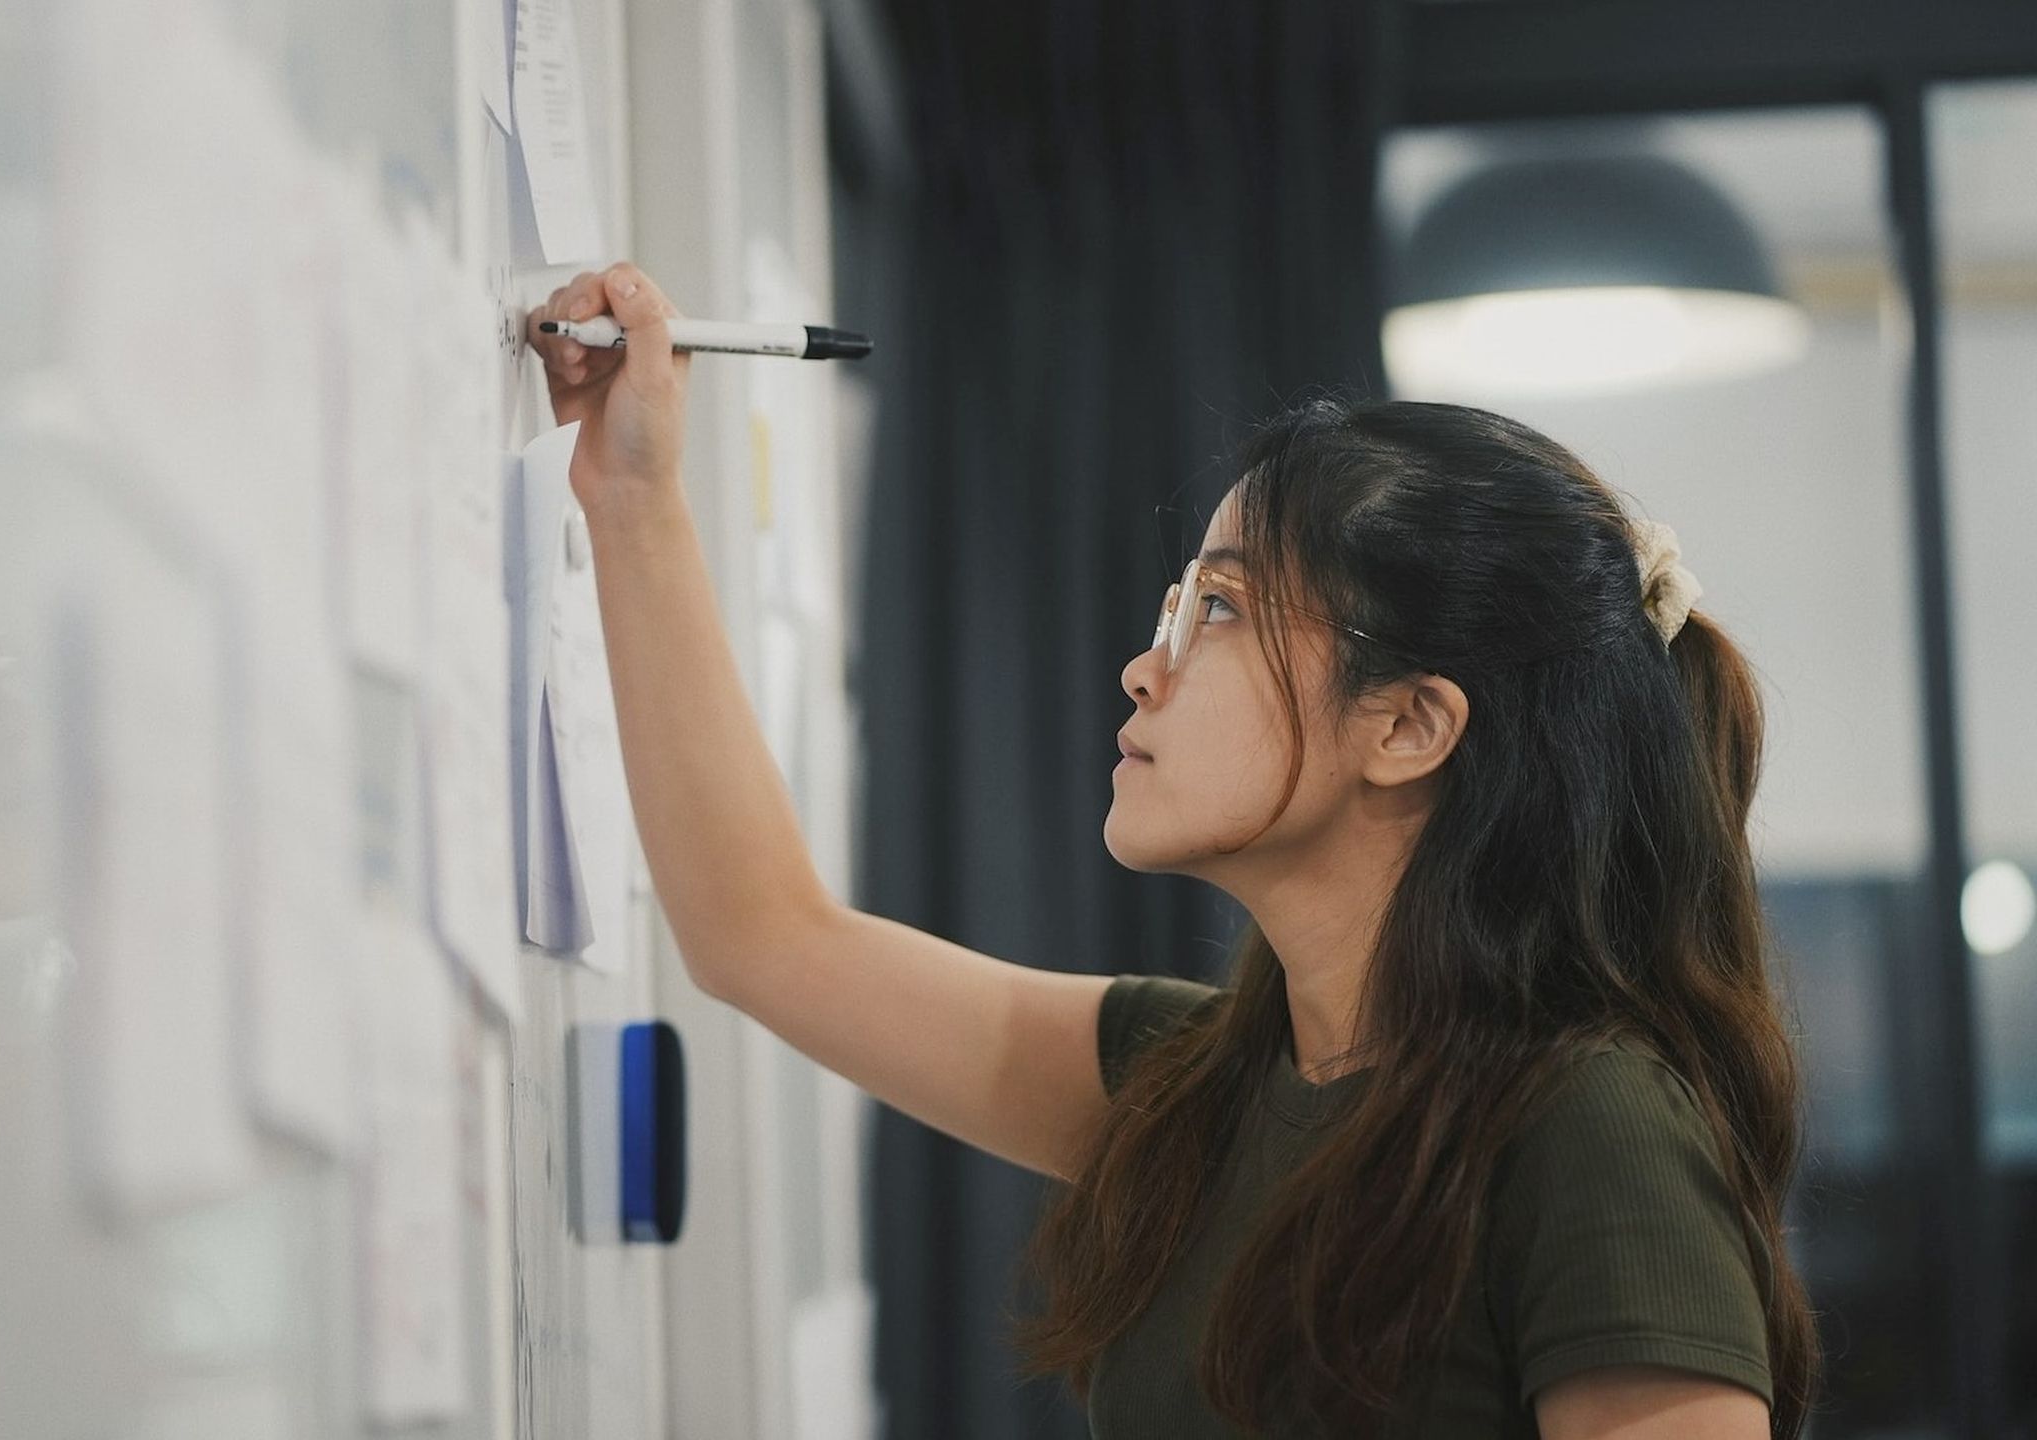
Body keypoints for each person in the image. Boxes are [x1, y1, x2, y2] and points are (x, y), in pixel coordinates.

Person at [528, 262, 1819, 1440]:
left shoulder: (1592, 1122)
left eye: (1221, 608)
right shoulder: (1193, 1087)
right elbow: (765, 937)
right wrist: (633, 498)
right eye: (1175, 605)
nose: (1149, 668)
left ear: (1410, 724)